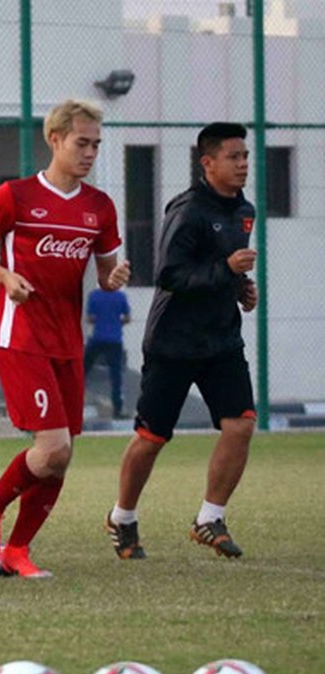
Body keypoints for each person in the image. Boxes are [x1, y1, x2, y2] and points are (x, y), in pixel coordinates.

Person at [0, 98, 129, 579]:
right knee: (52, 447)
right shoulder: (15, 195)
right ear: (54, 139)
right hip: (22, 336)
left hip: (67, 342)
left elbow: (104, 272)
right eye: (82, 142)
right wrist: (3, 275)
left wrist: (114, 278)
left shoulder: (100, 207)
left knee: (62, 456)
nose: (90, 152)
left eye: (96, 144)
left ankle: (17, 550)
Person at [106, 123, 257, 561]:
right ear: (207, 163)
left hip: (222, 342)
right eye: (233, 156)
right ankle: (123, 517)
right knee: (152, 438)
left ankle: (209, 518)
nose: (243, 163)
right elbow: (170, 274)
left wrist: (243, 289)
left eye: (245, 155)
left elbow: (225, 272)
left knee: (242, 424)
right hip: (174, 342)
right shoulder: (188, 210)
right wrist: (226, 270)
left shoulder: (243, 209)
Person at [84, 286, 130, 418]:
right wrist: (115, 322)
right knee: (116, 376)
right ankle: (117, 409)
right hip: (114, 339)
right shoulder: (120, 296)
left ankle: (70, 402)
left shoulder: (94, 296)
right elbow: (127, 317)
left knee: (82, 371)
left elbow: (90, 318)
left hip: (98, 337)